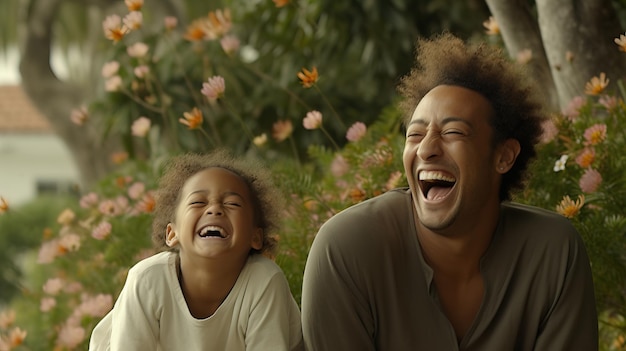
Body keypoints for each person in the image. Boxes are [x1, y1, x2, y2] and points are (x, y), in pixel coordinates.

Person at [301, 33, 598, 350]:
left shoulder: (553, 252)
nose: (426, 148)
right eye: (414, 135)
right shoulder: (346, 249)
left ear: (504, 156)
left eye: (453, 132)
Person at [89, 150, 303, 351]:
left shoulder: (264, 282)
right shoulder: (147, 280)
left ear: (255, 237)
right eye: (198, 202)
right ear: (172, 233)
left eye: (232, 204)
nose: (215, 209)